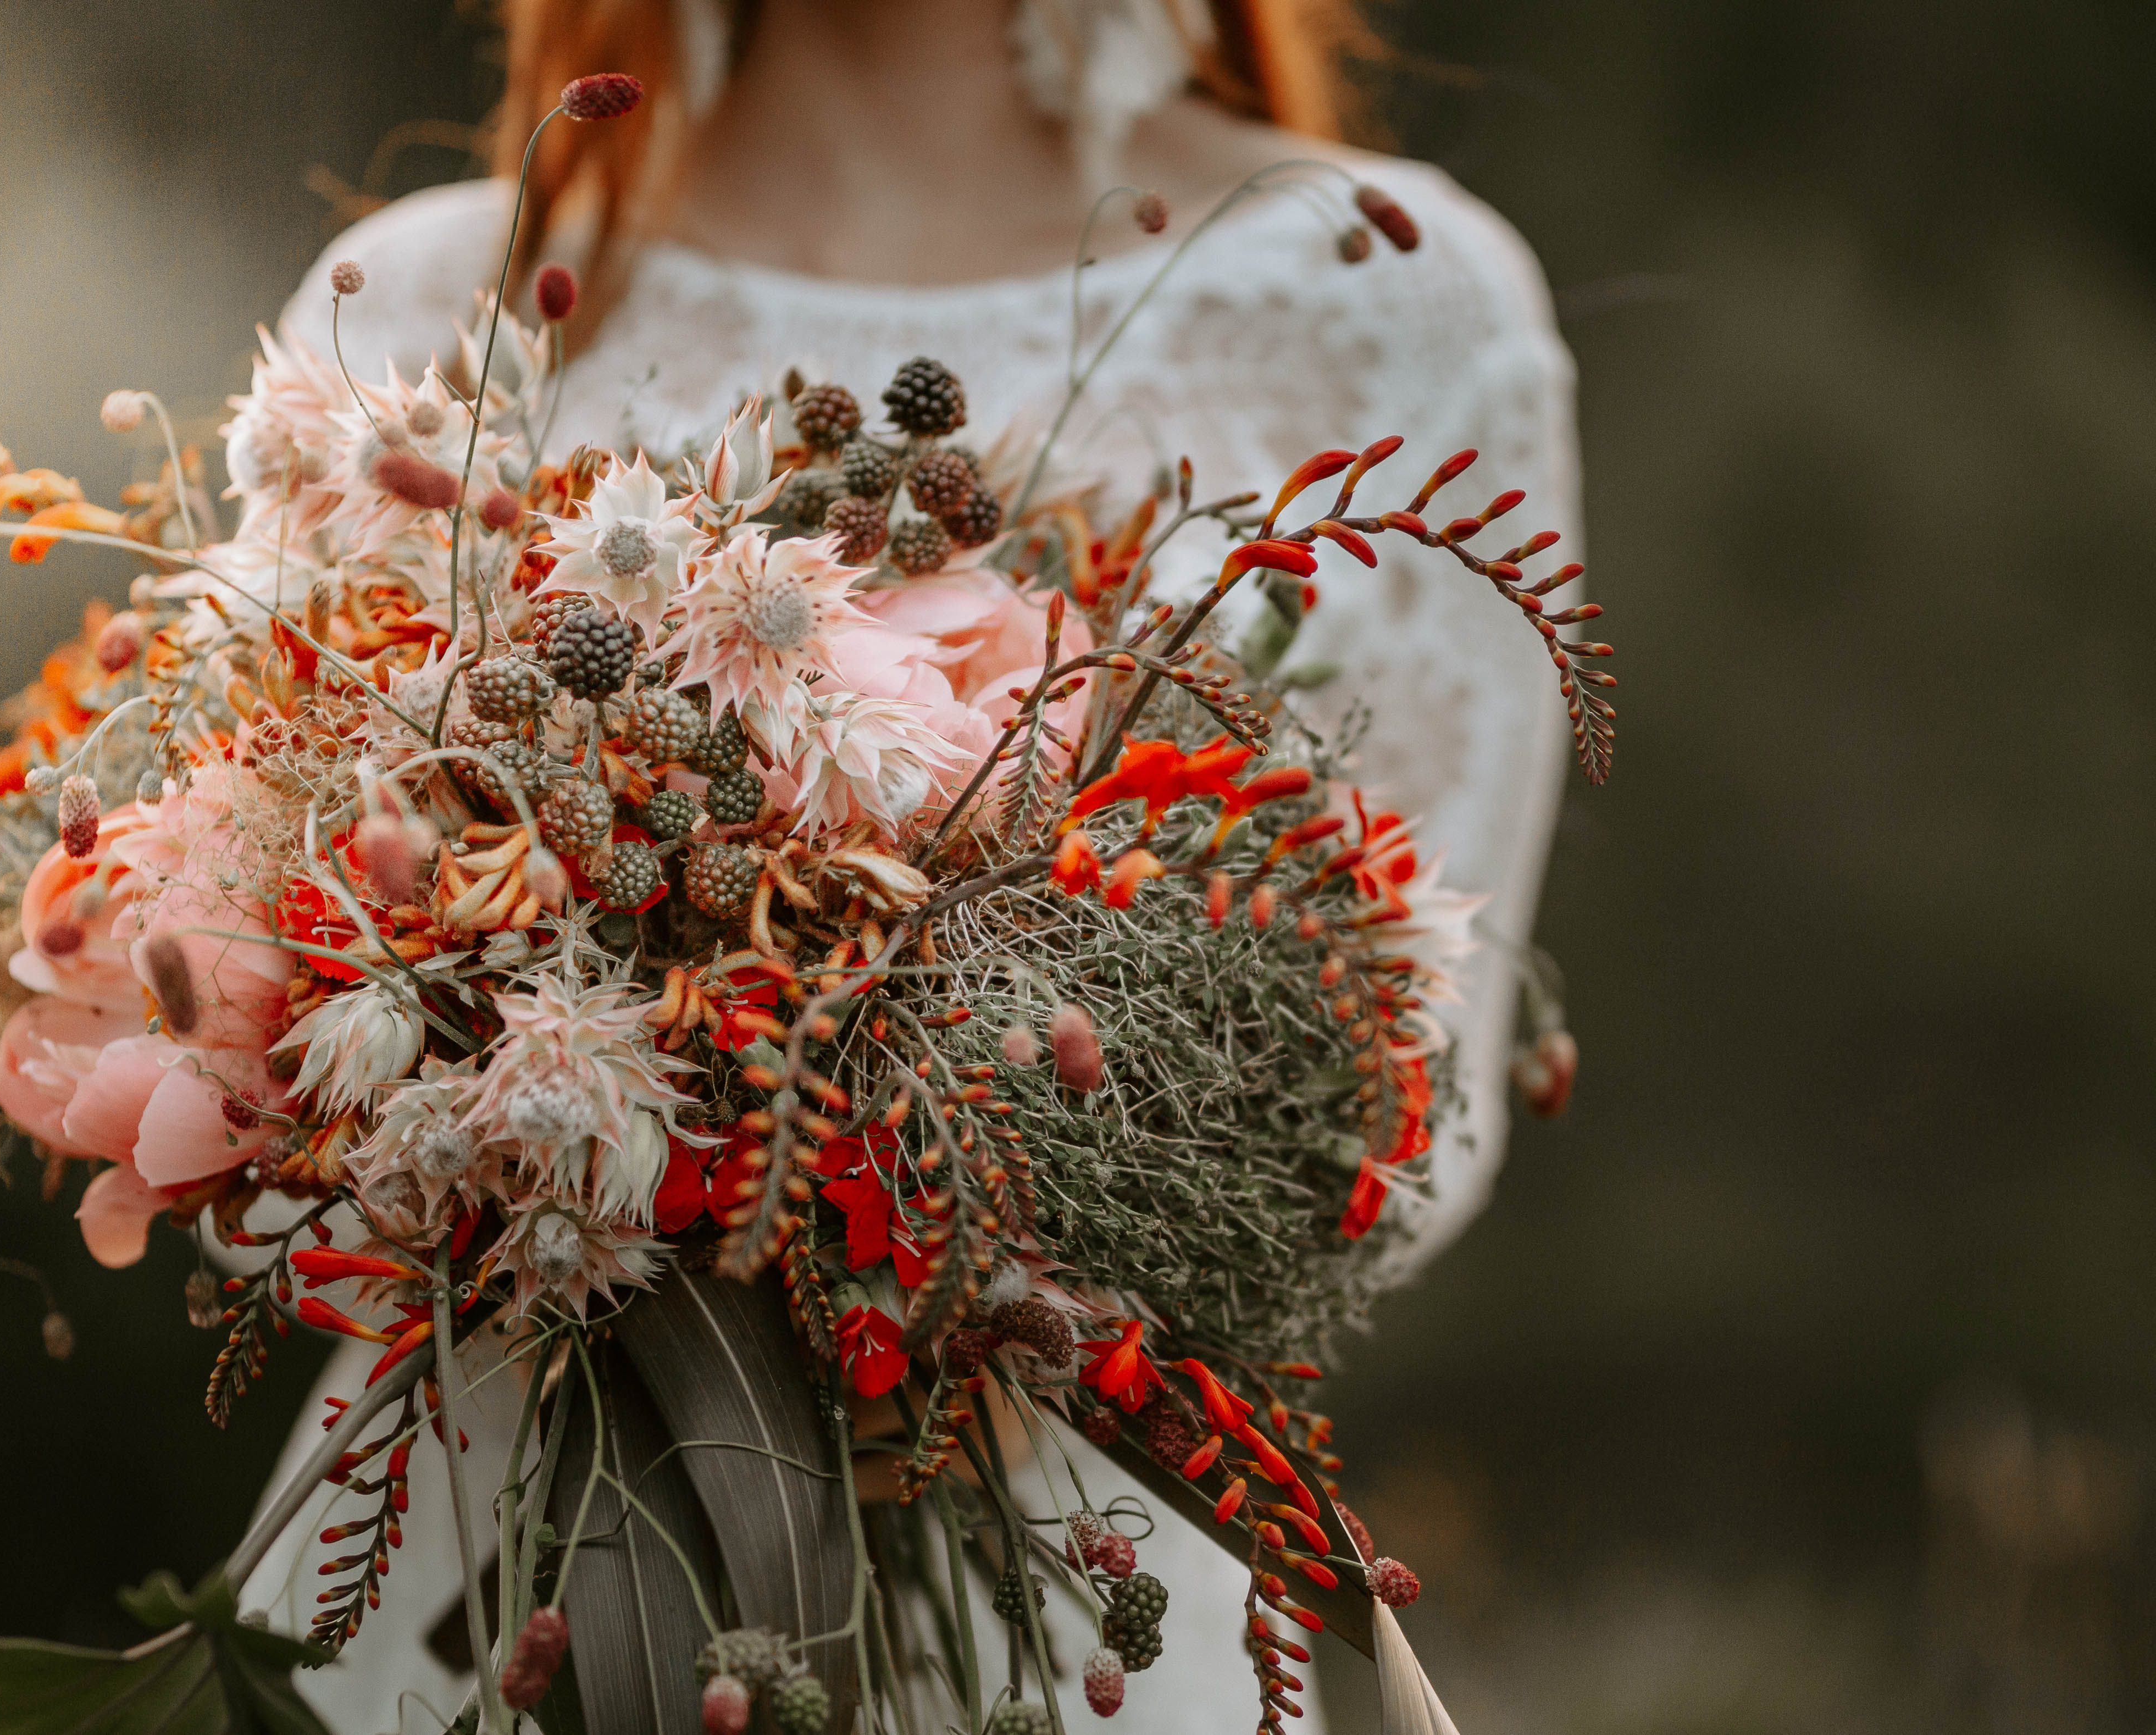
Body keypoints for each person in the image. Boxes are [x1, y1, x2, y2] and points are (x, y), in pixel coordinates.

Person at [240, 3, 1578, 1730]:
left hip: (1065, 1603)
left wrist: (929, 1225)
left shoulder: (1384, 305)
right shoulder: (428, 311)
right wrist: (531, 1121)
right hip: (473, 1569)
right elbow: (256, 977)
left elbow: (1407, 1094)